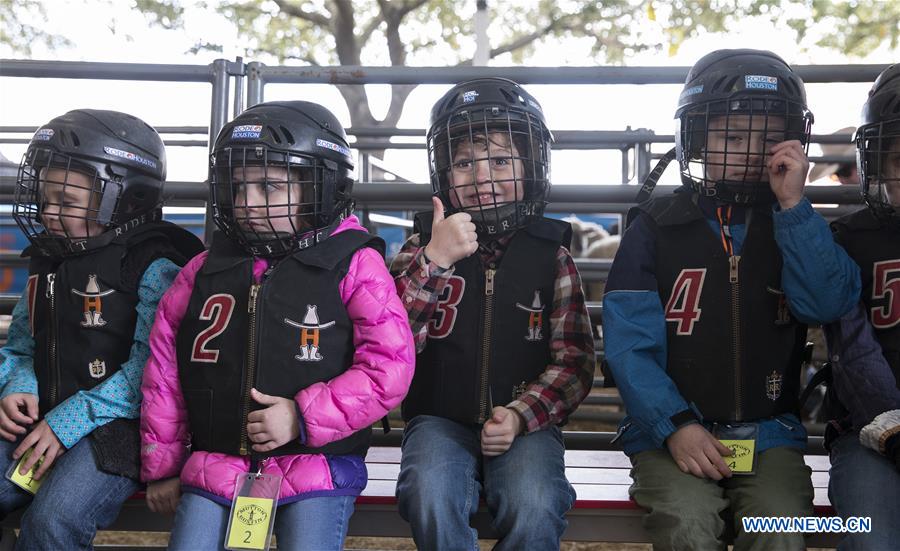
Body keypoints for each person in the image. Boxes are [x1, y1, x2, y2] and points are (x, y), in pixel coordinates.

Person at [602, 49, 861, 550]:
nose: (750, 152)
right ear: (697, 139)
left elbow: (826, 303)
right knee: (686, 522)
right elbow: (629, 346)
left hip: (769, 435)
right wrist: (674, 425)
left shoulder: (796, 223)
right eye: (733, 136)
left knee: (781, 527)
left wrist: (792, 206)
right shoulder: (655, 229)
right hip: (669, 433)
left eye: (768, 139)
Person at [139, 100, 415, 550]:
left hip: (317, 467)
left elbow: (390, 367)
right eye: (239, 187)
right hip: (216, 465)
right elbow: (163, 373)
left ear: (317, 186)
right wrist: (164, 466)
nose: (248, 203)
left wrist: (302, 416)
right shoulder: (204, 270)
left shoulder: (355, 264)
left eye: (268, 187)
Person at [391, 78, 595, 550]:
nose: (482, 176)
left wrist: (523, 415)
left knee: (536, 502)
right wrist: (434, 262)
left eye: (501, 160)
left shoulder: (552, 257)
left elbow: (575, 362)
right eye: (465, 163)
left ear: (530, 167)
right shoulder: (420, 249)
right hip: (438, 418)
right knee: (429, 492)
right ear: (445, 174)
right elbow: (392, 343)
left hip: (526, 422)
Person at [0, 109, 203, 549]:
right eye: (45, 196)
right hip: (41, 419)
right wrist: (18, 385)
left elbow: (150, 371)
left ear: (126, 201)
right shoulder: (48, 259)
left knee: (52, 522)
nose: (49, 211)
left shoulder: (152, 266)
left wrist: (65, 424)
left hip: (119, 433)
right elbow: (20, 344)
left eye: (67, 201)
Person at [825, 63, 900, 550]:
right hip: (869, 433)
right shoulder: (851, 238)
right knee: (869, 536)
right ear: (878, 164)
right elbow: (852, 348)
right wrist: (892, 426)